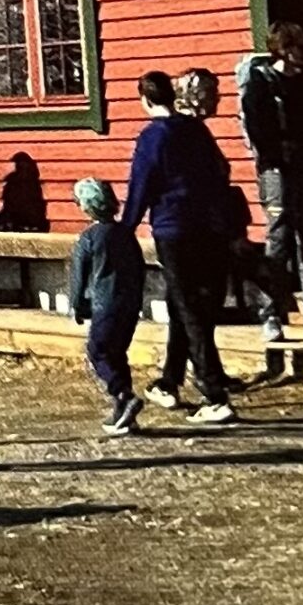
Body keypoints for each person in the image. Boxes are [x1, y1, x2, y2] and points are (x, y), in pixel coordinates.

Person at [121, 69, 239, 426]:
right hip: (208, 227)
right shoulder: (197, 131)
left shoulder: (152, 137)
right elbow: (221, 171)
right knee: (183, 303)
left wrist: (125, 230)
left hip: (173, 229)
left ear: (145, 100)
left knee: (188, 308)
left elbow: (141, 185)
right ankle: (169, 381)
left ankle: (214, 393)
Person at [239, 21, 303, 342]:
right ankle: (271, 314)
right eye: (302, 48)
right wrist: (275, 157)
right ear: (284, 49)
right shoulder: (261, 85)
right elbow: (257, 129)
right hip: (278, 172)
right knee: (279, 240)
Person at [67, 177, 146, 437]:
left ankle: (123, 393)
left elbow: (79, 276)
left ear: (88, 207)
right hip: (129, 304)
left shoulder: (89, 238)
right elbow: (140, 268)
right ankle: (122, 413)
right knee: (118, 354)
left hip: (104, 303)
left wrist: (77, 305)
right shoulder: (126, 234)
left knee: (97, 351)